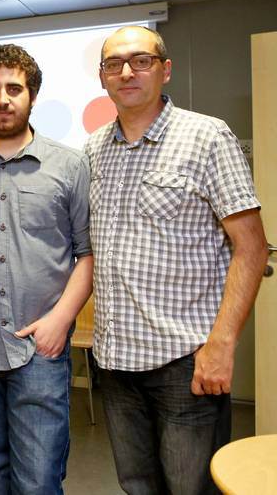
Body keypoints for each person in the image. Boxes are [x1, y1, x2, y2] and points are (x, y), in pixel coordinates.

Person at [85, 25, 268, 494]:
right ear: (102, 78)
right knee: (137, 486)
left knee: (192, 489)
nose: (126, 71)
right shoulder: (93, 151)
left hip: (185, 363)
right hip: (117, 362)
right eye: (113, 64)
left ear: (165, 70)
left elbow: (251, 247)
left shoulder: (207, 137)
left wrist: (222, 346)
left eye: (140, 60)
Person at [0, 44, 93, 494]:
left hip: (40, 349)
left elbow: (87, 254)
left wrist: (59, 323)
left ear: (32, 96)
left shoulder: (69, 165)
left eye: (14, 88)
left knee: (39, 480)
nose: (3, 98)